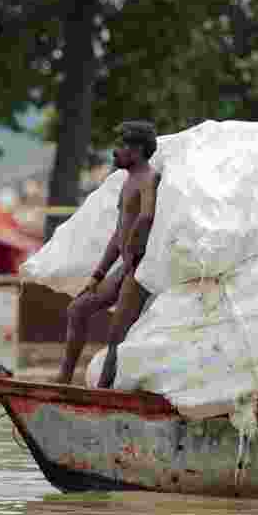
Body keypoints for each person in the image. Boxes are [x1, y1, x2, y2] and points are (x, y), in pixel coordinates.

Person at [56, 120, 160, 388]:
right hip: (124, 266)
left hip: (140, 267)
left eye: (122, 146)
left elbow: (147, 215)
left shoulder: (149, 178)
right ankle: (63, 380)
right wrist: (97, 275)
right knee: (77, 309)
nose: (116, 152)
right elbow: (117, 235)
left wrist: (134, 245)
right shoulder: (127, 183)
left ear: (137, 150)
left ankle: (102, 393)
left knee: (116, 336)